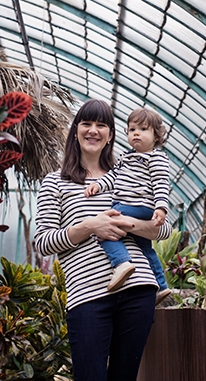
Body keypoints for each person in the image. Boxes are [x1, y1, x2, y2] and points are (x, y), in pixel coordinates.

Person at [33, 100, 172, 381]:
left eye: (101, 125)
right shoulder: (55, 182)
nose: (93, 131)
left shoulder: (128, 172)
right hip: (87, 296)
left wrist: (129, 224)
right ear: (76, 131)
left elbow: (164, 230)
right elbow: (44, 242)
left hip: (138, 288)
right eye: (86, 123)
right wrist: (90, 226)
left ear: (110, 134)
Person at [84, 108, 171, 304]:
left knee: (105, 228)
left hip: (137, 205)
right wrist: (98, 185)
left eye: (143, 129)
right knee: (145, 247)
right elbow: (113, 177)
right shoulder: (126, 157)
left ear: (156, 136)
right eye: (132, 130)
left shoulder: (156, 158)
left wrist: (161, 207)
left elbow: (161, 183)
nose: (136, 133)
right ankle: (162, 286)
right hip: (134, 207)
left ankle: (121, 263)